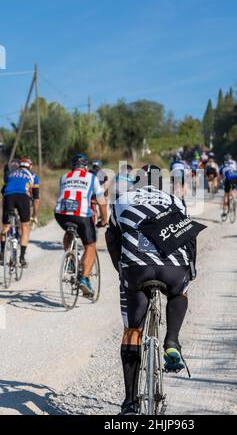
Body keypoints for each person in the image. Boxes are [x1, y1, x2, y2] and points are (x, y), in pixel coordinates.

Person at [105, 165, 192, 415]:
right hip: (172, 269)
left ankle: (130, 403)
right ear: (160, 184)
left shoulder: (122, 200)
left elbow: (112, 237)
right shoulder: (176, 200)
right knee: (179, 292)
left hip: (135, 270)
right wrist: (189, 272)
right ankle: (172, 340)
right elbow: (188, 238)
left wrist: (120, 270)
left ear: (136, 183)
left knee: (132, 331)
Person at [55, 153, 108, 297]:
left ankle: (71, 259)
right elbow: (101, 201)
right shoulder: (92, 178)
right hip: (82, 215)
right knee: (90, 246)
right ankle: (84, 279)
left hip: (61, 213)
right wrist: (104, 220)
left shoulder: (64, 177)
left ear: (73, 166)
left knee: (69, 229)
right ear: (86, 167)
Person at [0, 157, 40, 267]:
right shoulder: (33, 176)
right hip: (23, 197)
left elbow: (3, 190)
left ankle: (2, 253)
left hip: (8, 197)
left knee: (5, 226)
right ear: (30, 166)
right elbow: (36, 199)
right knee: (25, 226)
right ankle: (22, 258)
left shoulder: (11, 174)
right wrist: (34, 216)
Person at [220, 154, 237, 220]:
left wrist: (221, 181)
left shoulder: (223, 163)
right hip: (235, 176)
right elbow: (236, 169)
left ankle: (224, 211)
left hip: (228, 177)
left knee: (226, 194)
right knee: (233, 189)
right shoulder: (234, 162)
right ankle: (234, 199)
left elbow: (221, 174)